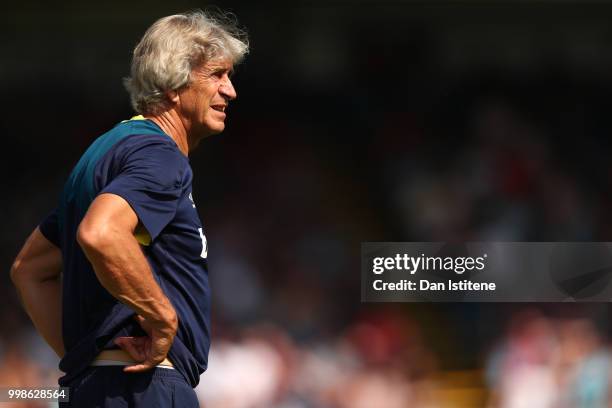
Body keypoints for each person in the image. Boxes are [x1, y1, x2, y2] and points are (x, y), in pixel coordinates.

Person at [10, 10, 248, 407]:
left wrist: (86, 358)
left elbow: (30, 269)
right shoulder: (159, 155)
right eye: (217, 75)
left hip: (98, 388)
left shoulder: (106, 150)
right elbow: (100, 233)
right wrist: (161, 317)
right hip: (145, 387)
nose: (230, 91)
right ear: (175, 83)